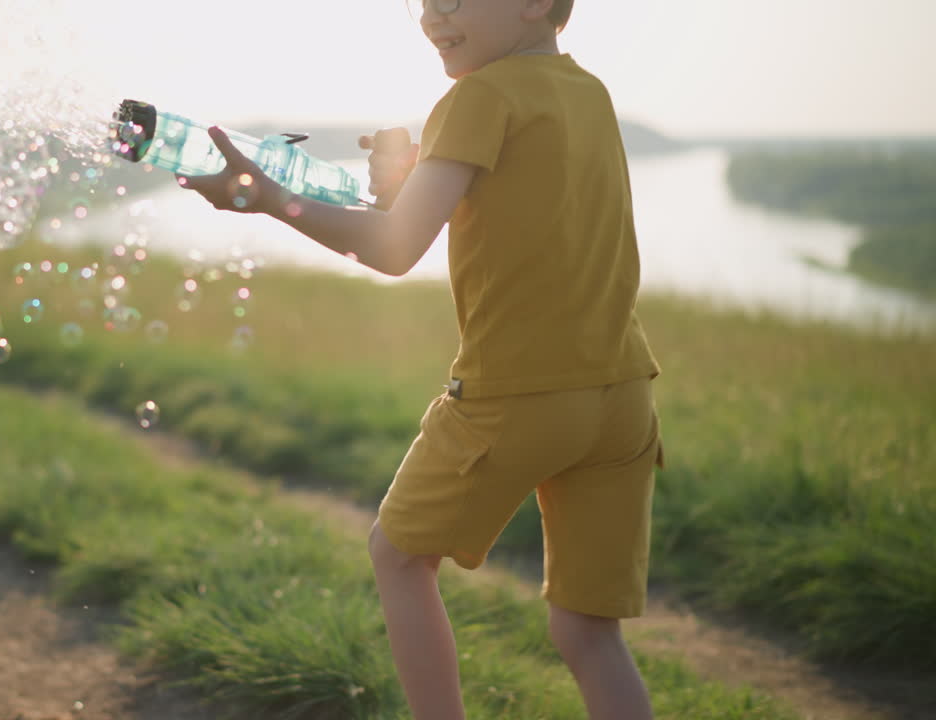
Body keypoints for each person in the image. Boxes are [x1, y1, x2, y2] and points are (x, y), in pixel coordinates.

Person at [177, 0, 663, 717]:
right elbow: (518, 211)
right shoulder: (588, 92)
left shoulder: (478, 95)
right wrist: (403, 186)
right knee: (589, 632)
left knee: (398, 558)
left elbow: (397, 248)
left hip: (514, 397)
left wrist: (271, 198)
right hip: (621, 397)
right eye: (425, 2)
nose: (435, 16)